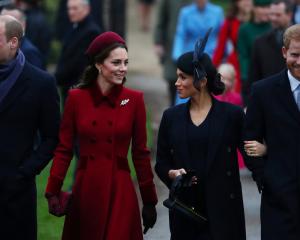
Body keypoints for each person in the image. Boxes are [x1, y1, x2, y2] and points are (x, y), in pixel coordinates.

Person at [45, 31, 158, 239]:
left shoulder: (134, 100)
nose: (123, 69)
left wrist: (149, 200)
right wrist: (52, 190)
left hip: (120, 189)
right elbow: (64, 149)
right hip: (87, 189)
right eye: (116, 63)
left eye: (126, 62)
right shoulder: (76, 99)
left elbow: (140, 154)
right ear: (98, 64)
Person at [155, 32, 261, 239]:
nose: (177, 82)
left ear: (201, 81)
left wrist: (270, 178)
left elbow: (251, 157)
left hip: (224, 212)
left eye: (182, 77)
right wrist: (172, 174)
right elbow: (161, 163)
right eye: (177, 76)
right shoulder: (171, 117)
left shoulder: (232, 115)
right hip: (186, 210)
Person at [0, 15, 60, 240]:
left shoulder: (41, 83)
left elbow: (52, 137)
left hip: (15, 193)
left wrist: (25, 172)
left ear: (13, 42)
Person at [243, 23, 300, 240]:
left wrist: (269, 149)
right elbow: (248, 138)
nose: (299, 61)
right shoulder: (263, 91)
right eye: (295, 54)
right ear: (284, 52)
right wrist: (264, 177)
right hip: (278, 200)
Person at [172, 0, 224, 105]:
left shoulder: (217, 11)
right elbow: (180, 35)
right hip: (191, 58)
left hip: (212, 57)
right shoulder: (185, 12)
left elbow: (222, 35)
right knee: (187, 85)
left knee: (208, 87)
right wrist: (177, 55)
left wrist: (226, 53)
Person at [55, 0, 101, 105]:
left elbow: (78, 63)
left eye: (75, 8)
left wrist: (57, 77)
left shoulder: (91, 32)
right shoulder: (74, 26)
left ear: (86, 9)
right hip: (69, 84)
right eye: (69, 8)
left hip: (78, 87)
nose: (71, 12)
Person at [153, 0, 191, 106]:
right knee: (173, 80)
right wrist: (158, 42)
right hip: (172, 44)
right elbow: (161, 20)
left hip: (192, 45)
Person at [213, 0, 253, 93]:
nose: (247, 2)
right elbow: (220, 47)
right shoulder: (230, 22)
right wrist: (212, 68)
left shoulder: (256, 21)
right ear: (237, 2)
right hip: (236, 63)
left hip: (254, 60)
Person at [249, 0, 293, 85]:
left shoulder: (298, 39)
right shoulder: (260, 42)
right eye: (271, 14)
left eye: (278, 15)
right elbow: (253, 77)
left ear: (289, 15)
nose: (273, 18)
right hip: (268, 94)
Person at [237, 0, 272, 104]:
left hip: (271, 75)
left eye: (268, 7)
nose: (266, 11)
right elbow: (243, 55)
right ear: (254, 8)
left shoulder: (273, 27)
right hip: (253, 76)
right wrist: (246, 76)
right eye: (262, 7)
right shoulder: (245, 29)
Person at [1, 4, 45, 69]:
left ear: (23, 25)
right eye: (2, 20)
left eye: (10, 23)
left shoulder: (29, 52)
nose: (5, 25)